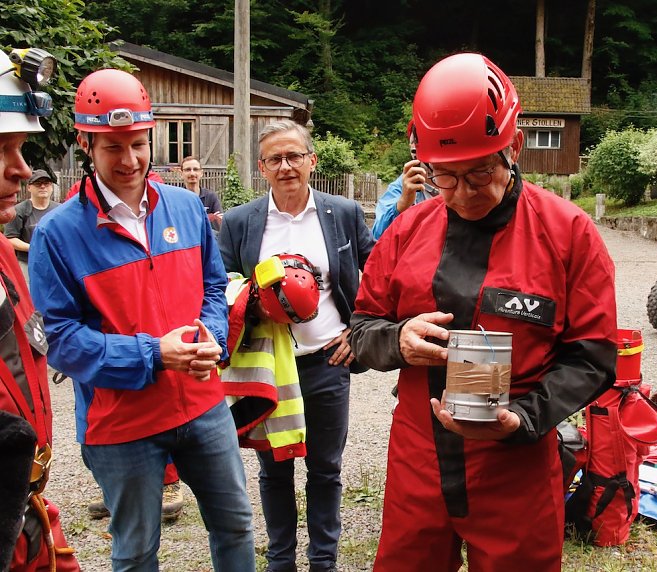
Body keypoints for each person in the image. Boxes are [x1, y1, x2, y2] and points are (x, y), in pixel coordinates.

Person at [349, 53, 618, 572]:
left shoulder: (567, 232)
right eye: (444, 177)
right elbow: (361, 329)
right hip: (418, 456)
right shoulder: (406, 231)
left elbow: (593, 356)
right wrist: (396, 340)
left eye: (479, 172)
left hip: (516, 461)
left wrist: (525, 418)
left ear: (513, 147)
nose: (464, 193)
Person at [28, 68, 255, 571]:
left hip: (203, 405)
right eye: (113, 147)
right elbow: (59, 340)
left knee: (237, 525)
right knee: (135, 551)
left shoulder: (186, 208)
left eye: (138, 144)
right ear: (86, 144)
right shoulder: (56, 234)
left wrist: (213, 336)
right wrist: (154, 354)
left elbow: (214, 287)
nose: (129, 160)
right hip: (121, 424)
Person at [219, 119, 374, 572]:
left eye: (294, 156)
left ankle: (323, 562)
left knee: (325, 468)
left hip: (328, 359)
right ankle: (281, 561)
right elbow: (218, 285)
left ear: (311, 161)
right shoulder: (240, 221)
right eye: (275, 159)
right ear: (262, 168)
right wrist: (248, 301)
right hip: (268, 365)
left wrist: (358, 328)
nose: (285, 166)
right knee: (274, 469)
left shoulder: (342, 212)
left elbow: (378, 272)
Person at [0, 46, 79, 571]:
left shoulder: (4, 254)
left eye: (21, 147)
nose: (23, 170)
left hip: (25, 520)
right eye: (1, 149)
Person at [371, 125, 437, 239]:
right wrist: (402, 204)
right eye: (413, 142)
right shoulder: (399, 188)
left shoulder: (456, 177)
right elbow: (377, 236)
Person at [3, 169, 59, 285]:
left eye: (46, 183)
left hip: (54, 264)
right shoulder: (19, 211)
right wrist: (34, 247)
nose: (43, 187)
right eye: (38, 184)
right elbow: (10, 239)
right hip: (27, 264)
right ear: (29, 187)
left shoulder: (59, 210)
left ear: (51, 187)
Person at [181, 156, 223, 232]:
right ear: (181, 173)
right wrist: (209, 217)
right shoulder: (177, 197)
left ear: (201, 173)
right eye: (187, 170)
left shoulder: (211, 197)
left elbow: (218, 221)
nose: (192, 173)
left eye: (195, 169)